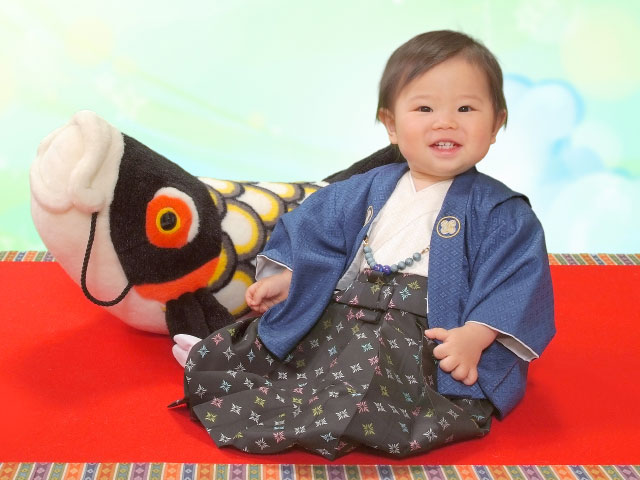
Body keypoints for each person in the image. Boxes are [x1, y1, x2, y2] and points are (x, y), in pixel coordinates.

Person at [174, 30, 555, 459]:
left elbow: (515, 280)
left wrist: (475, 335)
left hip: (421, 334)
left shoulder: (502, 212)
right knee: (287, 347)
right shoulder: (363, 189)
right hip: (342, 311)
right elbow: (318, 237)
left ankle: (323, 406)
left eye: (465, 108)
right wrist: (291, 277)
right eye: (424, 108)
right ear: (391, 124)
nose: (445, 122)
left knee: (368, 384)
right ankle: (223, 360)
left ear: (497, 123)